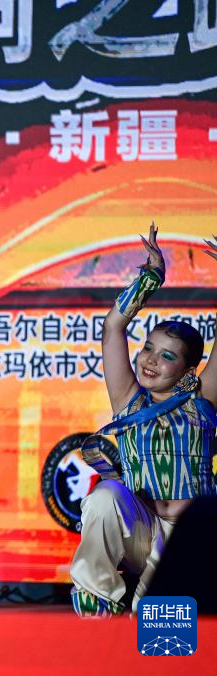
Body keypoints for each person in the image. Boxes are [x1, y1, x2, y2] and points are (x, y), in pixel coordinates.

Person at [70, 225, 217, 615]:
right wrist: (149, 278)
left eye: (167, 356)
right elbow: (112, 328)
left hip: (188, 538)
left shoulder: (203, 401)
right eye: (149, 348)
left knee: (155, 630)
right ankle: (95, 611)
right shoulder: (129, 400)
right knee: (105, 497)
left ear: (188, 370)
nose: (151, 359)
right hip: (141, 528)